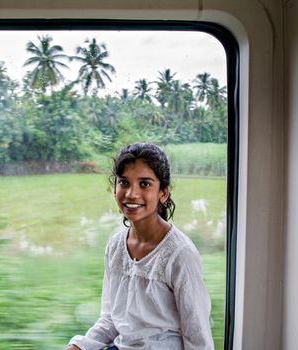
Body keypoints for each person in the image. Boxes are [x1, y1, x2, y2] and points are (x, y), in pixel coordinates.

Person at [66, 143, 214, 350]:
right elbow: (110, 321)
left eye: (144, 184)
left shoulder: (180, 254)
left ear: (163, 193)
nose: (131, 194)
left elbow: (198, 337)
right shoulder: (116, 246)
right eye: (124, 183)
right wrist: (79, 347)